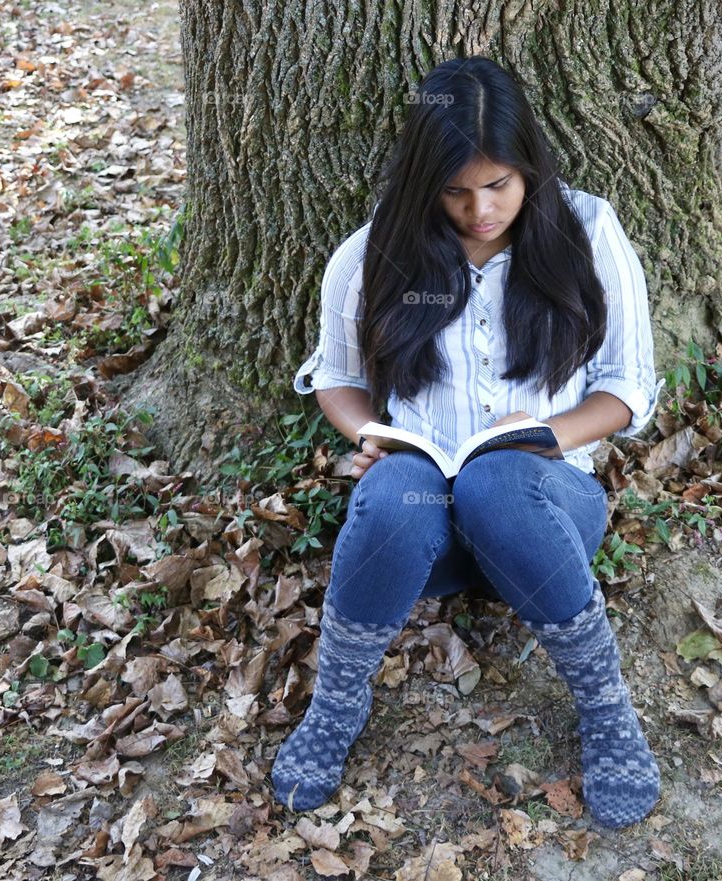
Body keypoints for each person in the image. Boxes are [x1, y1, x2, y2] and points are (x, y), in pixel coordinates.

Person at [270, 56, 663, 830]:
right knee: (390, 491)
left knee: (497, 482)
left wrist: (547, 437)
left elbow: (628, 387)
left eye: (498, 186)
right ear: (426, 181)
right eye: (456, 191)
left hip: (545, 511)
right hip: (426, 531)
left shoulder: (586, 232)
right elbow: (335, 378)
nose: (479, 210)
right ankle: (337, 705)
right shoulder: (374, 253)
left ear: (529, 170)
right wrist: (369, 435)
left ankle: (608, 709)